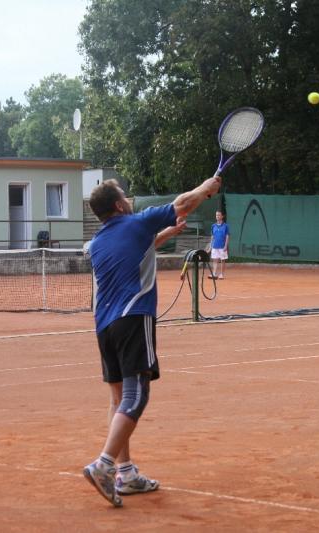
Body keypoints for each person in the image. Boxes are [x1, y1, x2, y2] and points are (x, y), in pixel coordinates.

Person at [82, 176, 221, 507]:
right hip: (133, 316)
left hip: (104, 326)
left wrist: (166, 235)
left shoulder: (98, 242)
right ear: (119, 205)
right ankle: (103, 465)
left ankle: (125, 473)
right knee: (137, 395)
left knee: (118, 398)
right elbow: (183, 203)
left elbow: (135, 247)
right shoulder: (137, 222)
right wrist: (206, 188)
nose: (129, 200)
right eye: (125, 196)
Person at [208, 210, 230, 279]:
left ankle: (221, 274)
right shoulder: (213, 226)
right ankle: (214, 273)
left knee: (222, 260)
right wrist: (210, 246)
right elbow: (212, 237)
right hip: (215, 246)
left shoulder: (226, 226)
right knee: (215, 260)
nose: (217, 216)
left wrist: (226, 246)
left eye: (219, 215)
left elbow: (227, 236)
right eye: (216, 215)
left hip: (222, 246)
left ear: (222, 216)